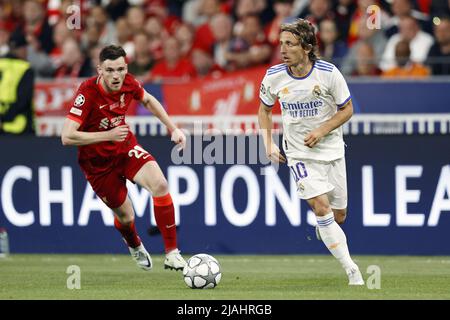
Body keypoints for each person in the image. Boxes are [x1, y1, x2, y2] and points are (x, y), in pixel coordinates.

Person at [61, 45, 187, 271]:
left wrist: (173, 129)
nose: (116, 75)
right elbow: (67, 136)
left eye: (120, 69)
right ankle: (134, 243)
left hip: (124, 147)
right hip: (97, 164)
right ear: (100, 69)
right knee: (127, 217)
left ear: (126, 67)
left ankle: (172, 253)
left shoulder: (128, 82)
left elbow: (147, 100)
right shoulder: (87, 92)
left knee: (160, 184)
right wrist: (107, 135)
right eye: (109, 70)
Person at [258, 19, 364, 285]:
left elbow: (347, 109)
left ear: (306, 47)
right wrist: (268, 142)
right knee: (321, 206)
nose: (283, 49)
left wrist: (322, 130)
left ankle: (326, 228)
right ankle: (352, 269)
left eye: (290, 44)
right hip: (299, 153)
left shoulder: (328, 73)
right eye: (281, 43)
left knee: (338, 216)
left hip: (331, 150)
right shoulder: (273, 76)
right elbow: (264, 110)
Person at [0, 31, 35, 135]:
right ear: (22, 49)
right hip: (19, 128)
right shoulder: (25, 68)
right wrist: (5, 118)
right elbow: (23, 100)